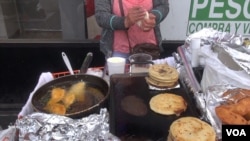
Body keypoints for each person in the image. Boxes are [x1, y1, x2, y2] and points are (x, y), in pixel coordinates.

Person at [94, 0, 169, 60]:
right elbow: (101, 16)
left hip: (149, 49)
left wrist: (154, 17)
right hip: (118, 53)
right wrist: (125, 21)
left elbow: (164, 6)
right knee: (118, 78)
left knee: (151, 78)